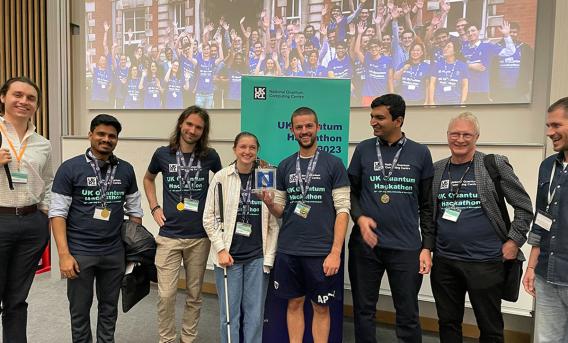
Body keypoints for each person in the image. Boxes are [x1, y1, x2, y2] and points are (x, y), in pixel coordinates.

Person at [431, 112, 532, 342]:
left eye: (466, 134)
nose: (460, 139)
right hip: (445, 262)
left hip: (485, 262)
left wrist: (514, 241)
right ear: (447, 136)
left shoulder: (492, 164)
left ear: (476, 136)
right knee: (448, 324)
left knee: (490, 326)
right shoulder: (437, 170)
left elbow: (524, 206)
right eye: (454, 134)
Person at [49, 114, 144, 343]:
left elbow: (135, 212)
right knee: (80, 311)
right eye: (101, 134)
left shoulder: (126, 170)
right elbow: (57, 213)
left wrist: (131, 250)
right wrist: (63, 255)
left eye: (112, 136)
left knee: (109, 309)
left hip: (114, 253)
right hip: (80, 252)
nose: (106, 139)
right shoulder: (70, 168)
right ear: (90, 135)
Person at [348, 94, 434, 343]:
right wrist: (359, 217)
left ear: (398, 120)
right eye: (372, 117)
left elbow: (428, 205)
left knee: (407, 314)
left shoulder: (420, 153)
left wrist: (427, 246)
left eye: (379, 117)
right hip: (365, 248)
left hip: (405, 248)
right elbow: (350, 192)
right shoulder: (364, 149)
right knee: (364, 311)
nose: (372, 122)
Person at [261, 107, 350, 343]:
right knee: (294, 303)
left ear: (317, 127)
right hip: (289, 249)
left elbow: (343, 210)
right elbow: (281, 210)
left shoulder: (334, 164)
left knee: (321, 308)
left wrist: (335, 252)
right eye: (299, 127)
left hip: (321, 252)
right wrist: (270, 204)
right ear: (292, 131)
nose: (304, 131)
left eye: (309, 126)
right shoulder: (285, 165)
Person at [143, 106, 222, 343]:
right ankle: (166, 339)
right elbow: (148, 179)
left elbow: (224, 182)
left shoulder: (210, 156)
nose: (193, 130)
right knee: (166, 294)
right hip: (168, 235)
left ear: (203, 131)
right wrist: (154, 207)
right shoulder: (162, 154)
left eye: (198, 127)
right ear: (181, 124)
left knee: (194, 294)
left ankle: (188, 338)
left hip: (199, 236)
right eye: (189, 124)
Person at [202, 132, 279, 343]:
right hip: (229, 257)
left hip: (257, 257)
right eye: (243, 147)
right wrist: (220, 249)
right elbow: (209, 218)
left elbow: (274, 222)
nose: (247, 152)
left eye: (252, 148)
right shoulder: (221, 177)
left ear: (257, 151)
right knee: (229, 316)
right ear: (235, 149)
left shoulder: (266, 176)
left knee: (255, 315)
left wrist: (268, 258)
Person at [0, 77, 53, 343]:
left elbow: (49, 180)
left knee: (17, 299)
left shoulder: (43, 144)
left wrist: (44, 212)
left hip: (32, 224)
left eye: (31, 98)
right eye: (17, 95)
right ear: (3, 97)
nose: (24, 101)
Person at [523, 97, 568, 342]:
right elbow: (542, 218)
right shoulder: (548, 166)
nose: (550, 132)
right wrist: (531, 266)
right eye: (548, 126)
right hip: (546, 273)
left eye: (556, 125)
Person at [461, 22, 516, 103]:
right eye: (468, 32)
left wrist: (507, 35)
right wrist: (470, 66)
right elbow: (456, 64)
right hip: (465, 89)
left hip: (482, 89)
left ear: (479, 31)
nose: (470, 33)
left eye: (473, 30)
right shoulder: (463, 48)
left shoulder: (488, 46)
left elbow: (510, 51)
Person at [491, 22, 534, 103]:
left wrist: (526, 80)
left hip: (519, 90)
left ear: (518, 33)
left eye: (515, 32)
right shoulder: (497, 47)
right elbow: (492, 68)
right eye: (510, 32)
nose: (513, 34)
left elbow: (531, 67)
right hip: (500, 90)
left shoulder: (525, 48)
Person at [428, 41, 469, 105]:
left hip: (455, 101)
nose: (445, 49)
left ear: (455, 51)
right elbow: (432, 83)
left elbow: (465, 85)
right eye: (445, 47)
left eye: (448, 47)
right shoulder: (437, 64)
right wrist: (431, 101)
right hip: (439, 101)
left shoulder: (462, 66)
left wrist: (462, 102)